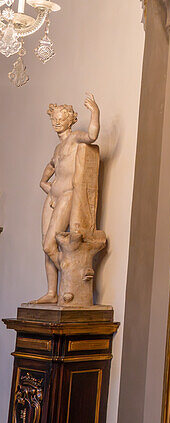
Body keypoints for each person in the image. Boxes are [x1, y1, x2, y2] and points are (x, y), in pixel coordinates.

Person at [34, 94, 100, 305]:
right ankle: (52, 292)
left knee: (49, 245)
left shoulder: (74, 138)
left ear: (70, 119)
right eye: (54, 118)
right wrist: (44, 183)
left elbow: (92, 136)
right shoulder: (57, 148)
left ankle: (74, 275)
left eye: (61, 118)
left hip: (67, 195)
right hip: (53, 196)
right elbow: (52, 166)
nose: (57, 122)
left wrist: (95, 111)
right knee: (46, 245)